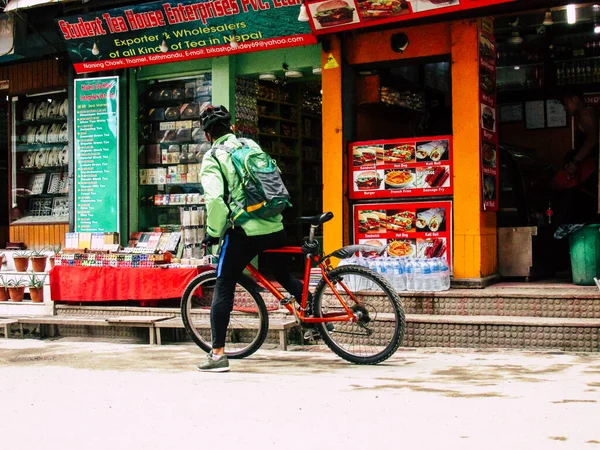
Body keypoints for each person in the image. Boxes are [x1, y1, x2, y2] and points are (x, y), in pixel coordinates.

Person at [197, 105, 306, 372]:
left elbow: (215, 202)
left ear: (208, 134)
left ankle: (218, 355)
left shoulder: (213, 157)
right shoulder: (250, 145)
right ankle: (314, 312)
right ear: (231, 127)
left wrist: (212, 233)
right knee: (282, 274)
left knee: (224, 284)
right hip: (275, 225)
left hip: (245, 232)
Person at [554, 89, 599, 225]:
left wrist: (575, 161)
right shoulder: (586, 113)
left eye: (565, 103)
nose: (565, 108)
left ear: (574, 98)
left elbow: (593, 139)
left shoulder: (586, 112)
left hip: (589, 171)